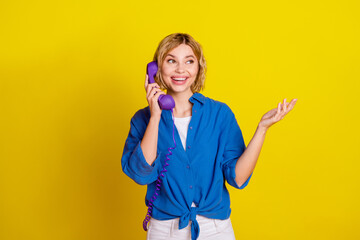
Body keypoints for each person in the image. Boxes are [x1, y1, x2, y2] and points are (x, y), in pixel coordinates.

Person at [121, 33, 297, 240]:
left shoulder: (219, 114)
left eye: (189, 61)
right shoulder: (143, 119)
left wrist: (262, 128)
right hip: (165, 230)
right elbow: (141, 175)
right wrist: (156, 116)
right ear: (157, 68)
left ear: (198, 68)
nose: (180, 69)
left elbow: (238, 178)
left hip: (215, 229)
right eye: (171, 61)